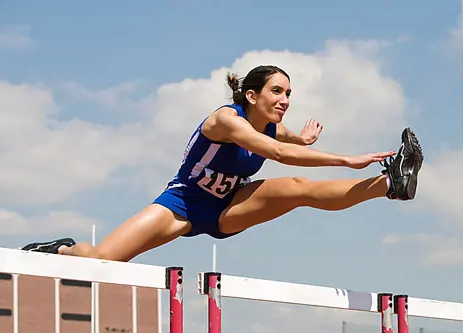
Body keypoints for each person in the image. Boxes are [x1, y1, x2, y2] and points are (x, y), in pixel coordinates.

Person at [21, 65, 423, 263]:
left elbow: (286, 143)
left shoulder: (268, 125)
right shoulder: (226, 120)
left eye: (289, 93)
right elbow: (278, 152)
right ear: (250, 95)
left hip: (229, 205)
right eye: (277, 91)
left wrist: (300, 136)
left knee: (298, 188)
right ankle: (63, 250)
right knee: (102, 263)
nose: (285, 100)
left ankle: (390, 183)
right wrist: (344, 159)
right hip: (181, 204)